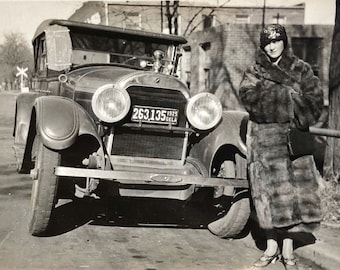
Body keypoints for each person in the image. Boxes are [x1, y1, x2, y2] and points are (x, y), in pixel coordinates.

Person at [239, 24, 324, 269]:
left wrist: (281, 102)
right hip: (263, 145)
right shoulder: (254, 71)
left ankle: (287, 249)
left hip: (290, 144)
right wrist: (288, 98)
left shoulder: (302, 69)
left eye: (276, 41)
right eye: (267, 42)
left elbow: (314, 106)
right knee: (266, 197)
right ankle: (271, 247)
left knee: (291, 199)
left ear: (284, 42)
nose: (272, 46)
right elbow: (250, 101)